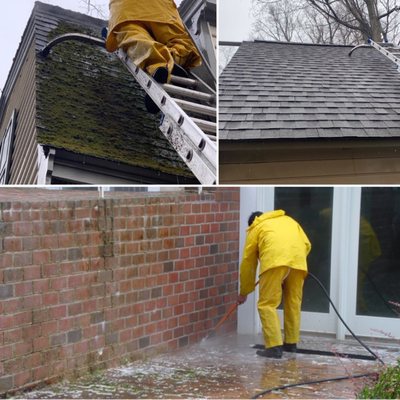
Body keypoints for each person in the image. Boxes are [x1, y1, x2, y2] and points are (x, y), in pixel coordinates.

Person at [238, 210, 311, 359]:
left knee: (267, 304)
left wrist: (244, 291)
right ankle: (291, 343)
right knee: (293, 302)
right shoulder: (289, 220)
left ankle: (274, 347)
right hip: (298, 263)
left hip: (274, 264)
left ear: (253, 222)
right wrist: (292, 261)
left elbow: (248, 262)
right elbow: (307, 244)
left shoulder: (256, 228)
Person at [106, 0, 202, 112]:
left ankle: (159, 64)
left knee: (135, 37)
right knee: (178, 40)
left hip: (126, 9)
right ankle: (174, 59)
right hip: (161, 8)